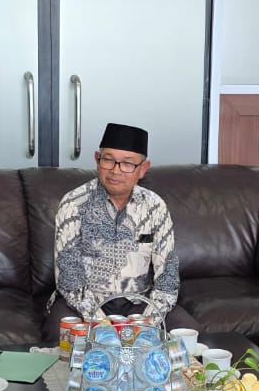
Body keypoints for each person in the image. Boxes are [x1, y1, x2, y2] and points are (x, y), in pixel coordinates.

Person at [43, 122, 199, 340]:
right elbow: (69, 277)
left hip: (140, 303)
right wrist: (102, 325)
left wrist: (148, 322)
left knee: (186, 335)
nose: (116, 170)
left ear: (142, 169)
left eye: (127, 164)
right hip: (81, 304)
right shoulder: (73, 204)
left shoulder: (155, 207)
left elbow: (168, 276)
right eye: (108, 160)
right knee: (62, 335)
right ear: (97, 160)